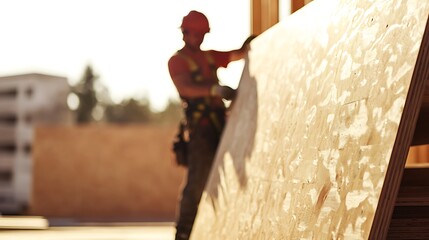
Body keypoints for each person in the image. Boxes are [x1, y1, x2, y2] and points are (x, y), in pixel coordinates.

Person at [168, 10, 255, 240]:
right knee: (197, 182)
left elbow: (236, 55)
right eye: (195, 34)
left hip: (222, 125)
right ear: (185, 33)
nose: (199, 39)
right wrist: (214, 89)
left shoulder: (209, 57)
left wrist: (249, 46)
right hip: (202, 131)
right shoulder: (177, 61)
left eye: (202, 34)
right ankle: (184, 233)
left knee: (234, 175)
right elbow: (185, 88)